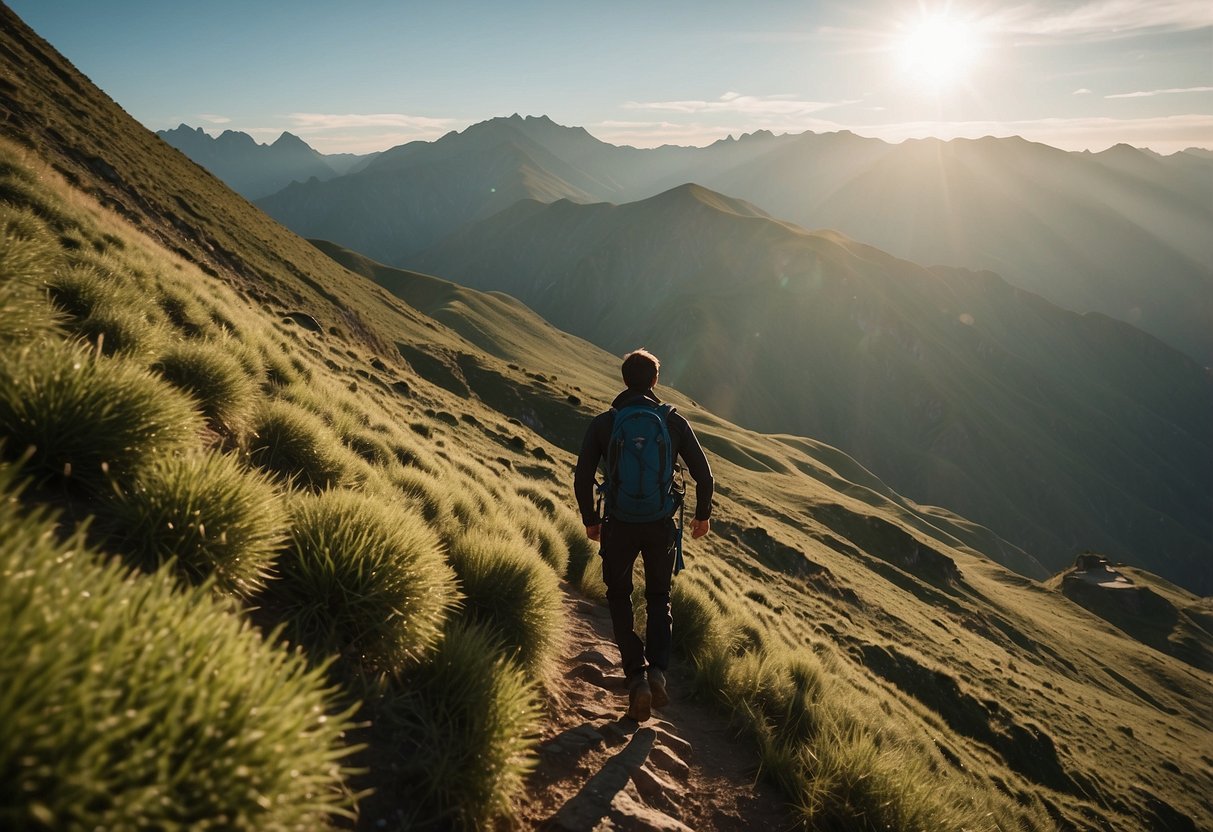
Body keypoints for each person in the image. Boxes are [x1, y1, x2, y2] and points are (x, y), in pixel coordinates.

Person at [574, 348, 713, 721]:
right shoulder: (672, 421)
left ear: (623, 380)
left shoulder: (606, 422)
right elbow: (704, 474)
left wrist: (591, 519)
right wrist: (702, 517)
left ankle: (635, 677)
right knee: (659, 598)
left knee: (619, 597)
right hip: (659, 526)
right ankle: (658, 673)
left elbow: (583, 475)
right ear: (655, 381)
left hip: (618, 525)